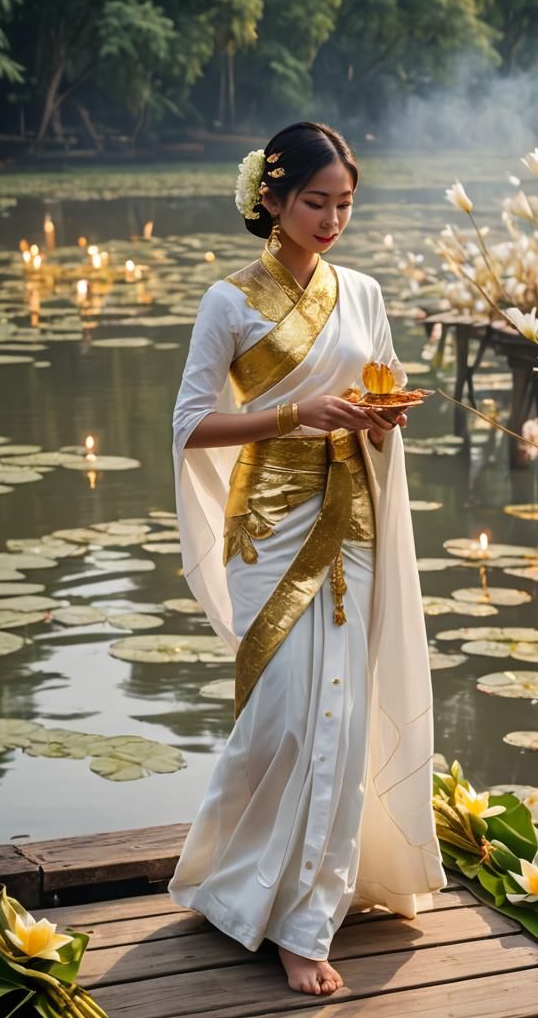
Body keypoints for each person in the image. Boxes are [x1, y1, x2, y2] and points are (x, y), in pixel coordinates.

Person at [168, 121, 446, 997]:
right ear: (273, 200)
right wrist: (298, 414)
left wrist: (382, 417)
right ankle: (238, 882)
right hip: (269, 525)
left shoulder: (363, 293)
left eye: (345, 205)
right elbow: (190, 425)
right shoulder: (228, 302)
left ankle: (303, 918)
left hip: (351, 516)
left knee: (341, 717)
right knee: (285, 714)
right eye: (316, 203)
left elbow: (381, 392)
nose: (332, 221)